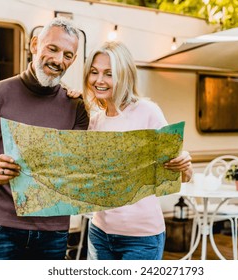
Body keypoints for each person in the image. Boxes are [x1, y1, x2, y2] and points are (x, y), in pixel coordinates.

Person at [0, 17, 89, 260]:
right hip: (1, 229)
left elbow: (77, 168)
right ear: (34, 45)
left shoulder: (77, 107)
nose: (58, 60)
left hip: (54, 231)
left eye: (67, 55)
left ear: (73, 60)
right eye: (52, 49)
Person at [82, 41, 193, 260]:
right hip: (99, 233)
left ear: (124, 75)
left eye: (109, 74)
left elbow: (185, 176)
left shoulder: (147, 111)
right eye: (94, 72)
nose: (99, 80)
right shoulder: (94, 121)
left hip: (140, 238)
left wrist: (184, 162)